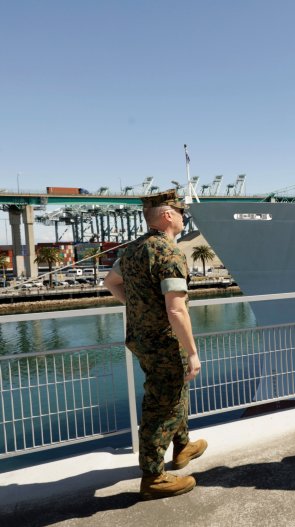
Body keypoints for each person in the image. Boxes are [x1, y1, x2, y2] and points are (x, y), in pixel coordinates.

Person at [105, 190, 207, 500]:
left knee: (174, 391)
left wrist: (141, 308)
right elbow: (176, 310)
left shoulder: (134, 250)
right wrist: (192, 352)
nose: (182, 217)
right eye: (180, 213)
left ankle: (182, 446)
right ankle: (153, 477)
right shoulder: (168, 252)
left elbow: (111, 283)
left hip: (141, 338)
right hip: (165, 342)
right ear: (167, 216)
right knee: (161, 406)